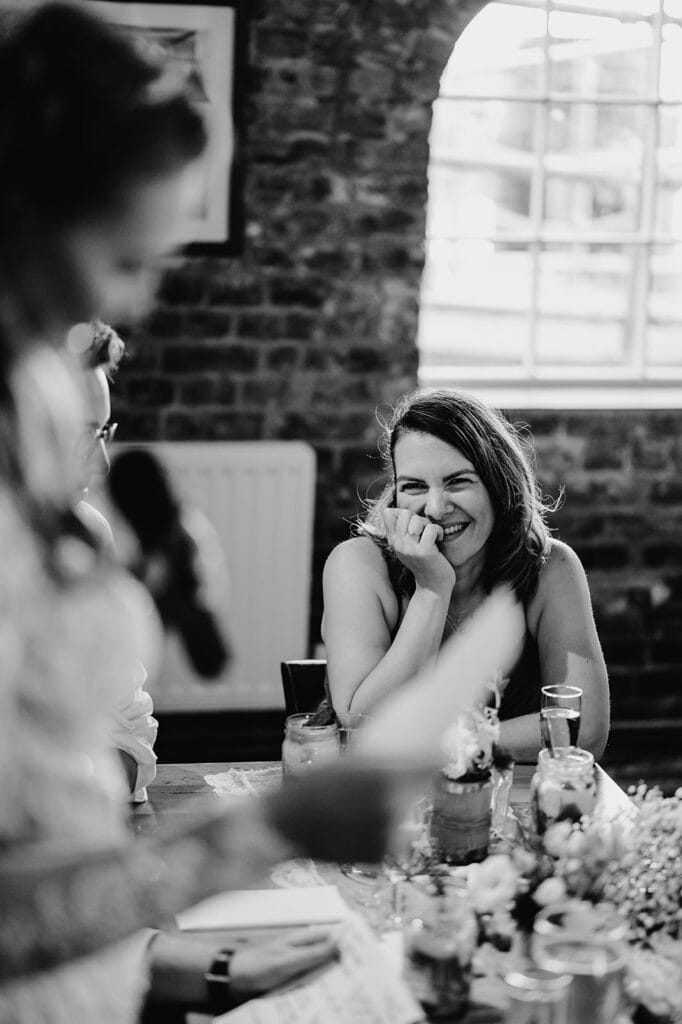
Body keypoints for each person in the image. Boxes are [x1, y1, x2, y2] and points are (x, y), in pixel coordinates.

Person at [0, 6, 415, 1022]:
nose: (134, 308)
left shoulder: (38, 423)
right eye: (126, 262)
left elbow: (53, 819)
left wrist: (163, 968)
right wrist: (264, 832)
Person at [322, 388, 610, 762]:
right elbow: (363, 726)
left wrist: (446, 745)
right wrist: (431, 590)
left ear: (498, 485)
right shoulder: (357, 565)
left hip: (506, 800)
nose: (436, 508)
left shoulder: (551, 569)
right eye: (414, 486)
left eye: (458, 481)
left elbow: (584, 730)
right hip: (375, 801)